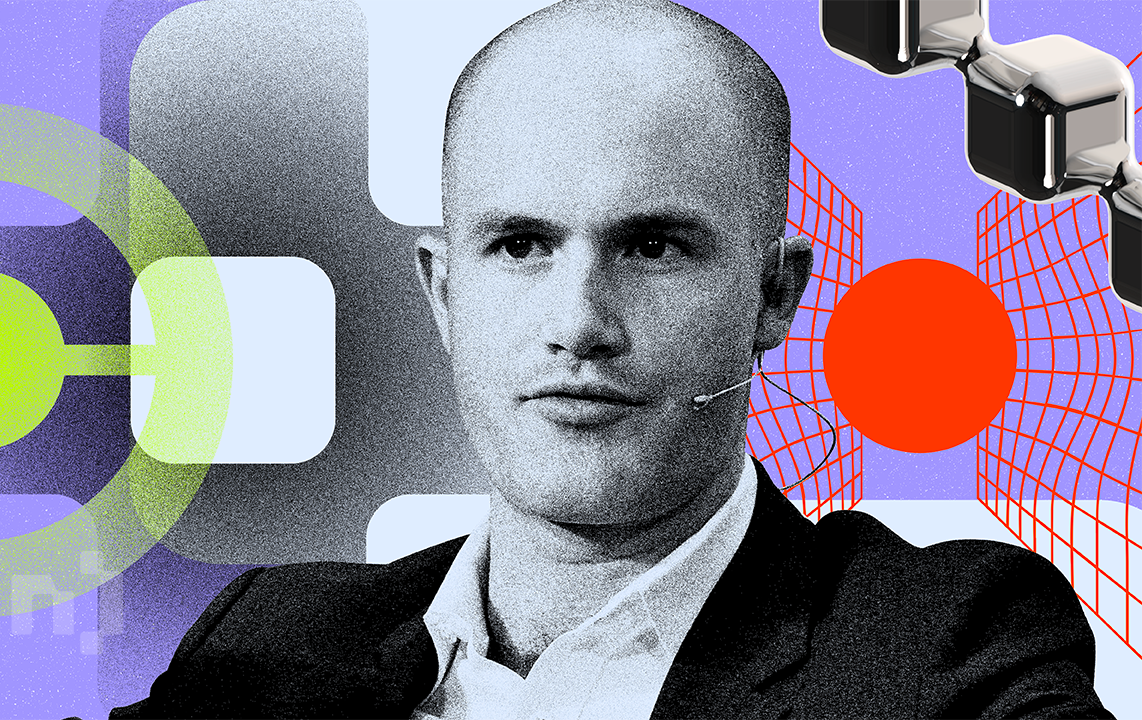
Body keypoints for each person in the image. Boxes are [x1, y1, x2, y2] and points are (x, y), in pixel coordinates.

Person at [110, 1, 1111, 717]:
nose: (579, 323)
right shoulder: (267, 643)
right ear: (444, 292)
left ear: (773, 296)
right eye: (520, 245)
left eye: (652, 246)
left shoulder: (945, 651)